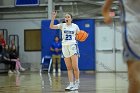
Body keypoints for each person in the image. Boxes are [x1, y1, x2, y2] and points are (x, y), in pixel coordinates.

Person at [102, 0, 140, 93]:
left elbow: (106, 8)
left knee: (134, 74)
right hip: (133, 26)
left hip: (133, 28)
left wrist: (106, 13)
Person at [50, 11, 80, 91]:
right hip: (64, 47)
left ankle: (77, 83)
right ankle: (71, 84)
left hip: (73, 46)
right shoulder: (62, 25)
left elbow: (79, 36)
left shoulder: (75, 26)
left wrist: (81, 37)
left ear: (71, 19)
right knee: (69, 68)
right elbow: (51, 26)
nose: (66, 18)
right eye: (65, 17)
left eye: (68, 17)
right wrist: (53, 18)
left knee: (75, 67)